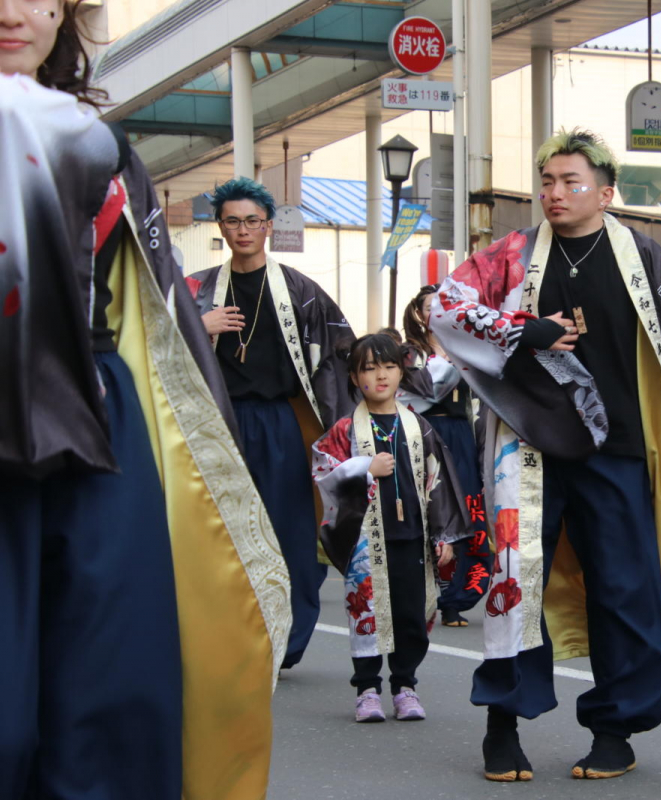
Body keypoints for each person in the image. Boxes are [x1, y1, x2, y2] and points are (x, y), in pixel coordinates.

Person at [0, 5, 289, 798]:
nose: (12, 11)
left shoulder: (103, 150)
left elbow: (151, 319)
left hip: (95, 427)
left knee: (111, 688)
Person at [430, 128, 661, 782]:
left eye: (570, 182)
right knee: (516, 580)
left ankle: (615, 727)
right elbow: (444, 308)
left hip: (620, 450)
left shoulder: (647, 261)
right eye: (547, 182)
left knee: (625, 590)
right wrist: (523, 330)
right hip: (527, 446)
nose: (555, 194)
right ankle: (502, 726)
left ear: (606, 191)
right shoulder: (509, 255)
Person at [188, 177, 356, 670]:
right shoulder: (196, 289)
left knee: (291, 531)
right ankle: (229, 634)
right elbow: (154, 341)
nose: (244, 230)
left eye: (253, 221)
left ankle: (289, 637)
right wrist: (197, 327)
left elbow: (343, 354)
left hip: (285, 423)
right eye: (233, 221)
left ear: (268, 226)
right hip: (219, 425)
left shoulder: (301, 290)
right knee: (223, 531)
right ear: (220, 226)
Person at [312, 333, 470, 723]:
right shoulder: (346, 429)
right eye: (368, 368)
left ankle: (405, 686)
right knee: (366, 610)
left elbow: (440, 482)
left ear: (402, 371)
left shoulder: (420, 426)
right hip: (366, 541)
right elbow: (322, 470)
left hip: (413, 537)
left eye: (389, 367)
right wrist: (363, 467)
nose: (380, 376)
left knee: (411, 613)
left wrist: (444, 535)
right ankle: (367, 690)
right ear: (353, 376)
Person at [399, 286, 493, 628]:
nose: (437, 312)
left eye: (445, 306)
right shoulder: (410, 354)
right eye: (430, 307)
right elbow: (412, 394)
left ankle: (456, 599)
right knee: (426, 511)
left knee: (469, 511)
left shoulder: (466, 348)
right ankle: (421, 592)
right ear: (420, 315)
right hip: (425, 435)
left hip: (460, 435)